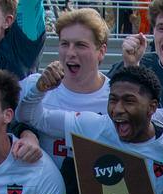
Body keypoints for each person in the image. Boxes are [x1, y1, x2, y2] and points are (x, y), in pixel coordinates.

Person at [17, 61, 163, 194]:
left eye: (129, 101)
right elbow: (30, 116)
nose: (117, 109)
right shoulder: (95, 127)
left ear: (152, 107)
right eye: (113, 100)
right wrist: (39, 89)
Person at [21, 8, 112, 162]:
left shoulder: (115, 98)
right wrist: (25, 133)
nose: (70, 52)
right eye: (64, 44)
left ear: (101, 51)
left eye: (80, 45)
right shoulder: (33, 85)